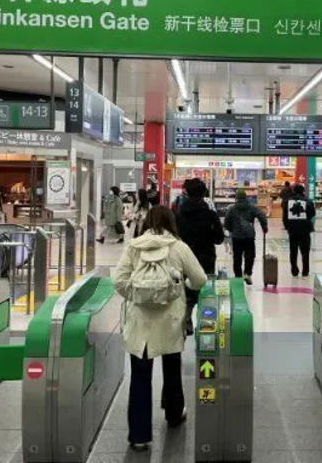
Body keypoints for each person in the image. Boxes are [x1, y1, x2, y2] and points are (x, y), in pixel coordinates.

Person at [113, 206, 207, 453]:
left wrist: (137, 296)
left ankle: (139, 436)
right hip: (170, 321)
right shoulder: (178, 247)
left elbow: (119, 281)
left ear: (148, 222)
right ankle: (174, 414)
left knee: (140, 377)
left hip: (140, 323)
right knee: (172, 368)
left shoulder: (134, 246)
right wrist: (181, 285)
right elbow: (199, 279)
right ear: (171, 221)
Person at [176, 178, 225, 334]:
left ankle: (186, 317)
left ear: (186, 193)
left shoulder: (178, 214)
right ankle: (206, 327)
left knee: (186, 289)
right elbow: (219, 238)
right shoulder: (210, 215)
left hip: (184, 257)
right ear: (204, 193)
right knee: (206, 290)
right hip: (206, 257)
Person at [224, 189, 268, 285]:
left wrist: (231, 229)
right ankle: (247, 273)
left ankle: (238, 275)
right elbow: (261, 215)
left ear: (236, 198)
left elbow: (226, 223)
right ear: (245, 197)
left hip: (236, 237)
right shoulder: (251, 207)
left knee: (237, 256)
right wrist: (264, 226)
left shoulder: (232, 208)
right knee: (250, 255)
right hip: (249, 236)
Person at [282, 184, 316, 277]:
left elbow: (285, 216)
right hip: (305, 230)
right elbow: (312, 213)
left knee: (293, 251)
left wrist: (287, 226)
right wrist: (306, 219)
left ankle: (294, 270)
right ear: (303, 191)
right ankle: (305, 271)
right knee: (305, 252)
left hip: (292, 230)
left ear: (293, 191)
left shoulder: (287, 201)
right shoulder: (308, 201)